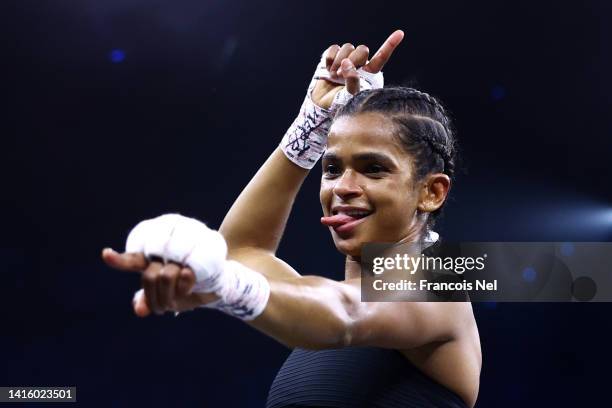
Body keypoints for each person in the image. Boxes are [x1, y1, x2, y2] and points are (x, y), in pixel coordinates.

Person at [102, 30, 481, 407]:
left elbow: (346, 314)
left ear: (431, 192)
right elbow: (239, 251)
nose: (342, 187)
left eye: (373, 169)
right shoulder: (317, 307)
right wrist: (311, 124)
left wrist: (223, 285)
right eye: (332, 169)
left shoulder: (441, 286)